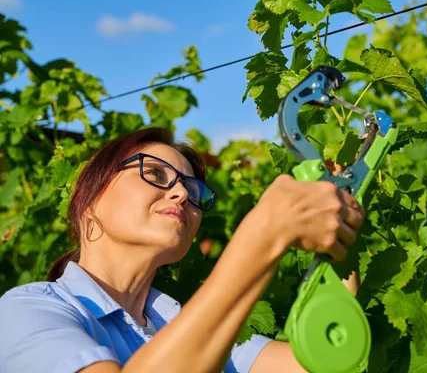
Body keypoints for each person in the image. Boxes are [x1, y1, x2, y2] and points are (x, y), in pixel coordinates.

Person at [0, 127, 365, 373]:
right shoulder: (28, 311)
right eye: (155, 175)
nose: (181, 194)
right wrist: (263, 236)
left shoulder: (180, 323)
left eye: (193, 191)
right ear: (90, 199)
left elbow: (320, 364)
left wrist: (339, 243)